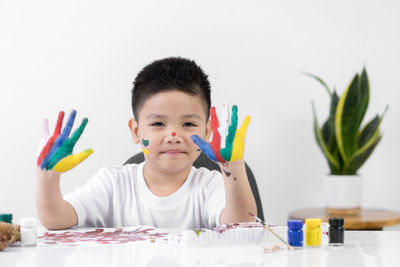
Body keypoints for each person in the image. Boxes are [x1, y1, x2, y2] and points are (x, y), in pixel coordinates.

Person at [36, 57, 257, 230]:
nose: (173, 135)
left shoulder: (211, 186)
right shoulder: (113, 184)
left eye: (188, 124)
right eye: (159, 123)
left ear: (207, 131)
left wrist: (233, 167)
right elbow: (56, 219)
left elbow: (241, 227)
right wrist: (48, 177)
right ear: (135, 131)